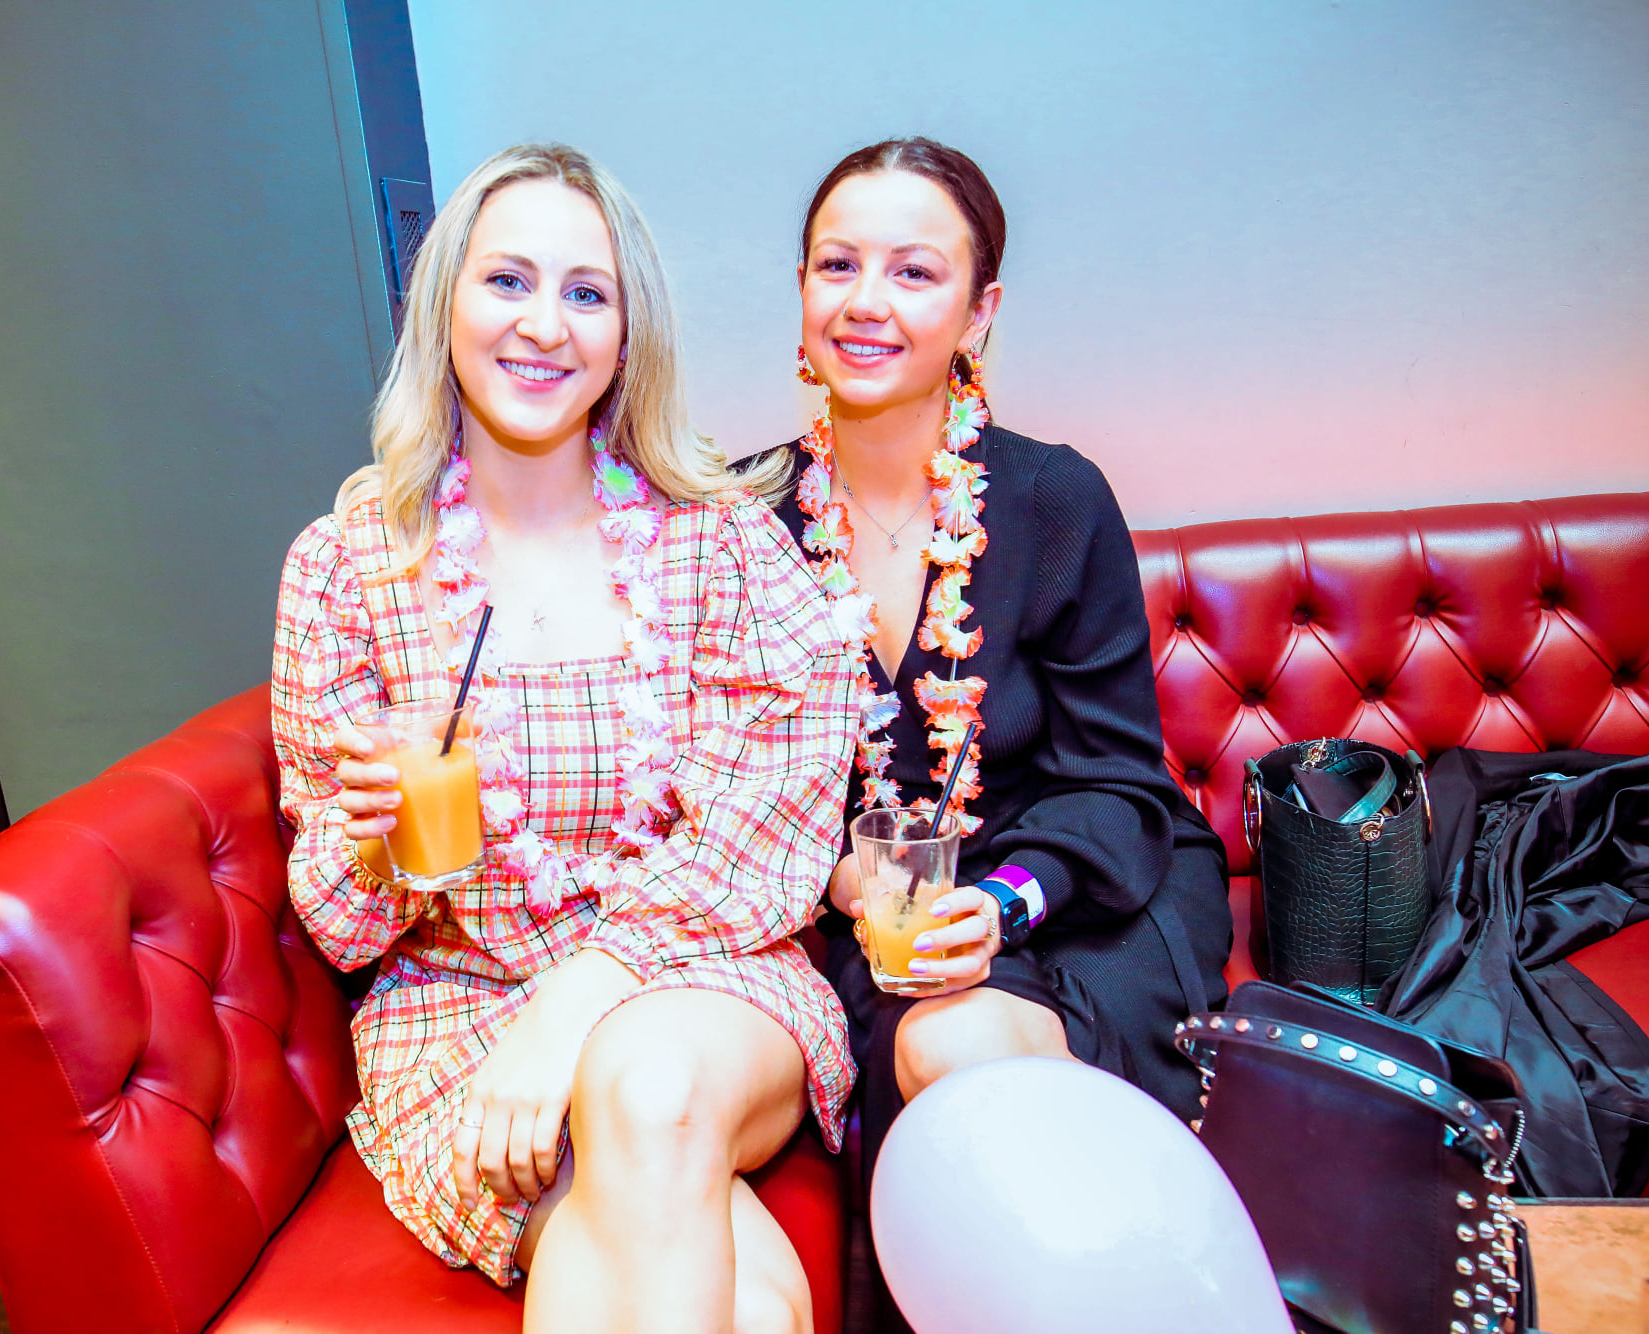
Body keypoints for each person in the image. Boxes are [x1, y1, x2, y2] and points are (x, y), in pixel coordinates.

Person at [271, 143, 859, 1334]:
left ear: (626, 334)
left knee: (643, 1081)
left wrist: (577, 1002)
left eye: (586, 292)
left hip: (699, 981)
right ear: (442, 306)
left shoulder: (718, 542)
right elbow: (336, 922)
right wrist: (381, 839)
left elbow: (773, 832)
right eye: (506, 281)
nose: (544, 325)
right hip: (463, 1012)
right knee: (748, 1306)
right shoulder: (346, 568)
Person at [747, 137, 1233, 1324]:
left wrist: (1002, 902)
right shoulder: (742, 522)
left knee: (960, 1048)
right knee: (932, 1041)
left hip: (1078, 886)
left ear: (978, 312)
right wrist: (846, 877)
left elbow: (1116, 783)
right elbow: (727, 792)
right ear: (800, 292)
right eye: (836, 265)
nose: (865, 302)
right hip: (873, 915)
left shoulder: (1053, 499)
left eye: (913, 272)